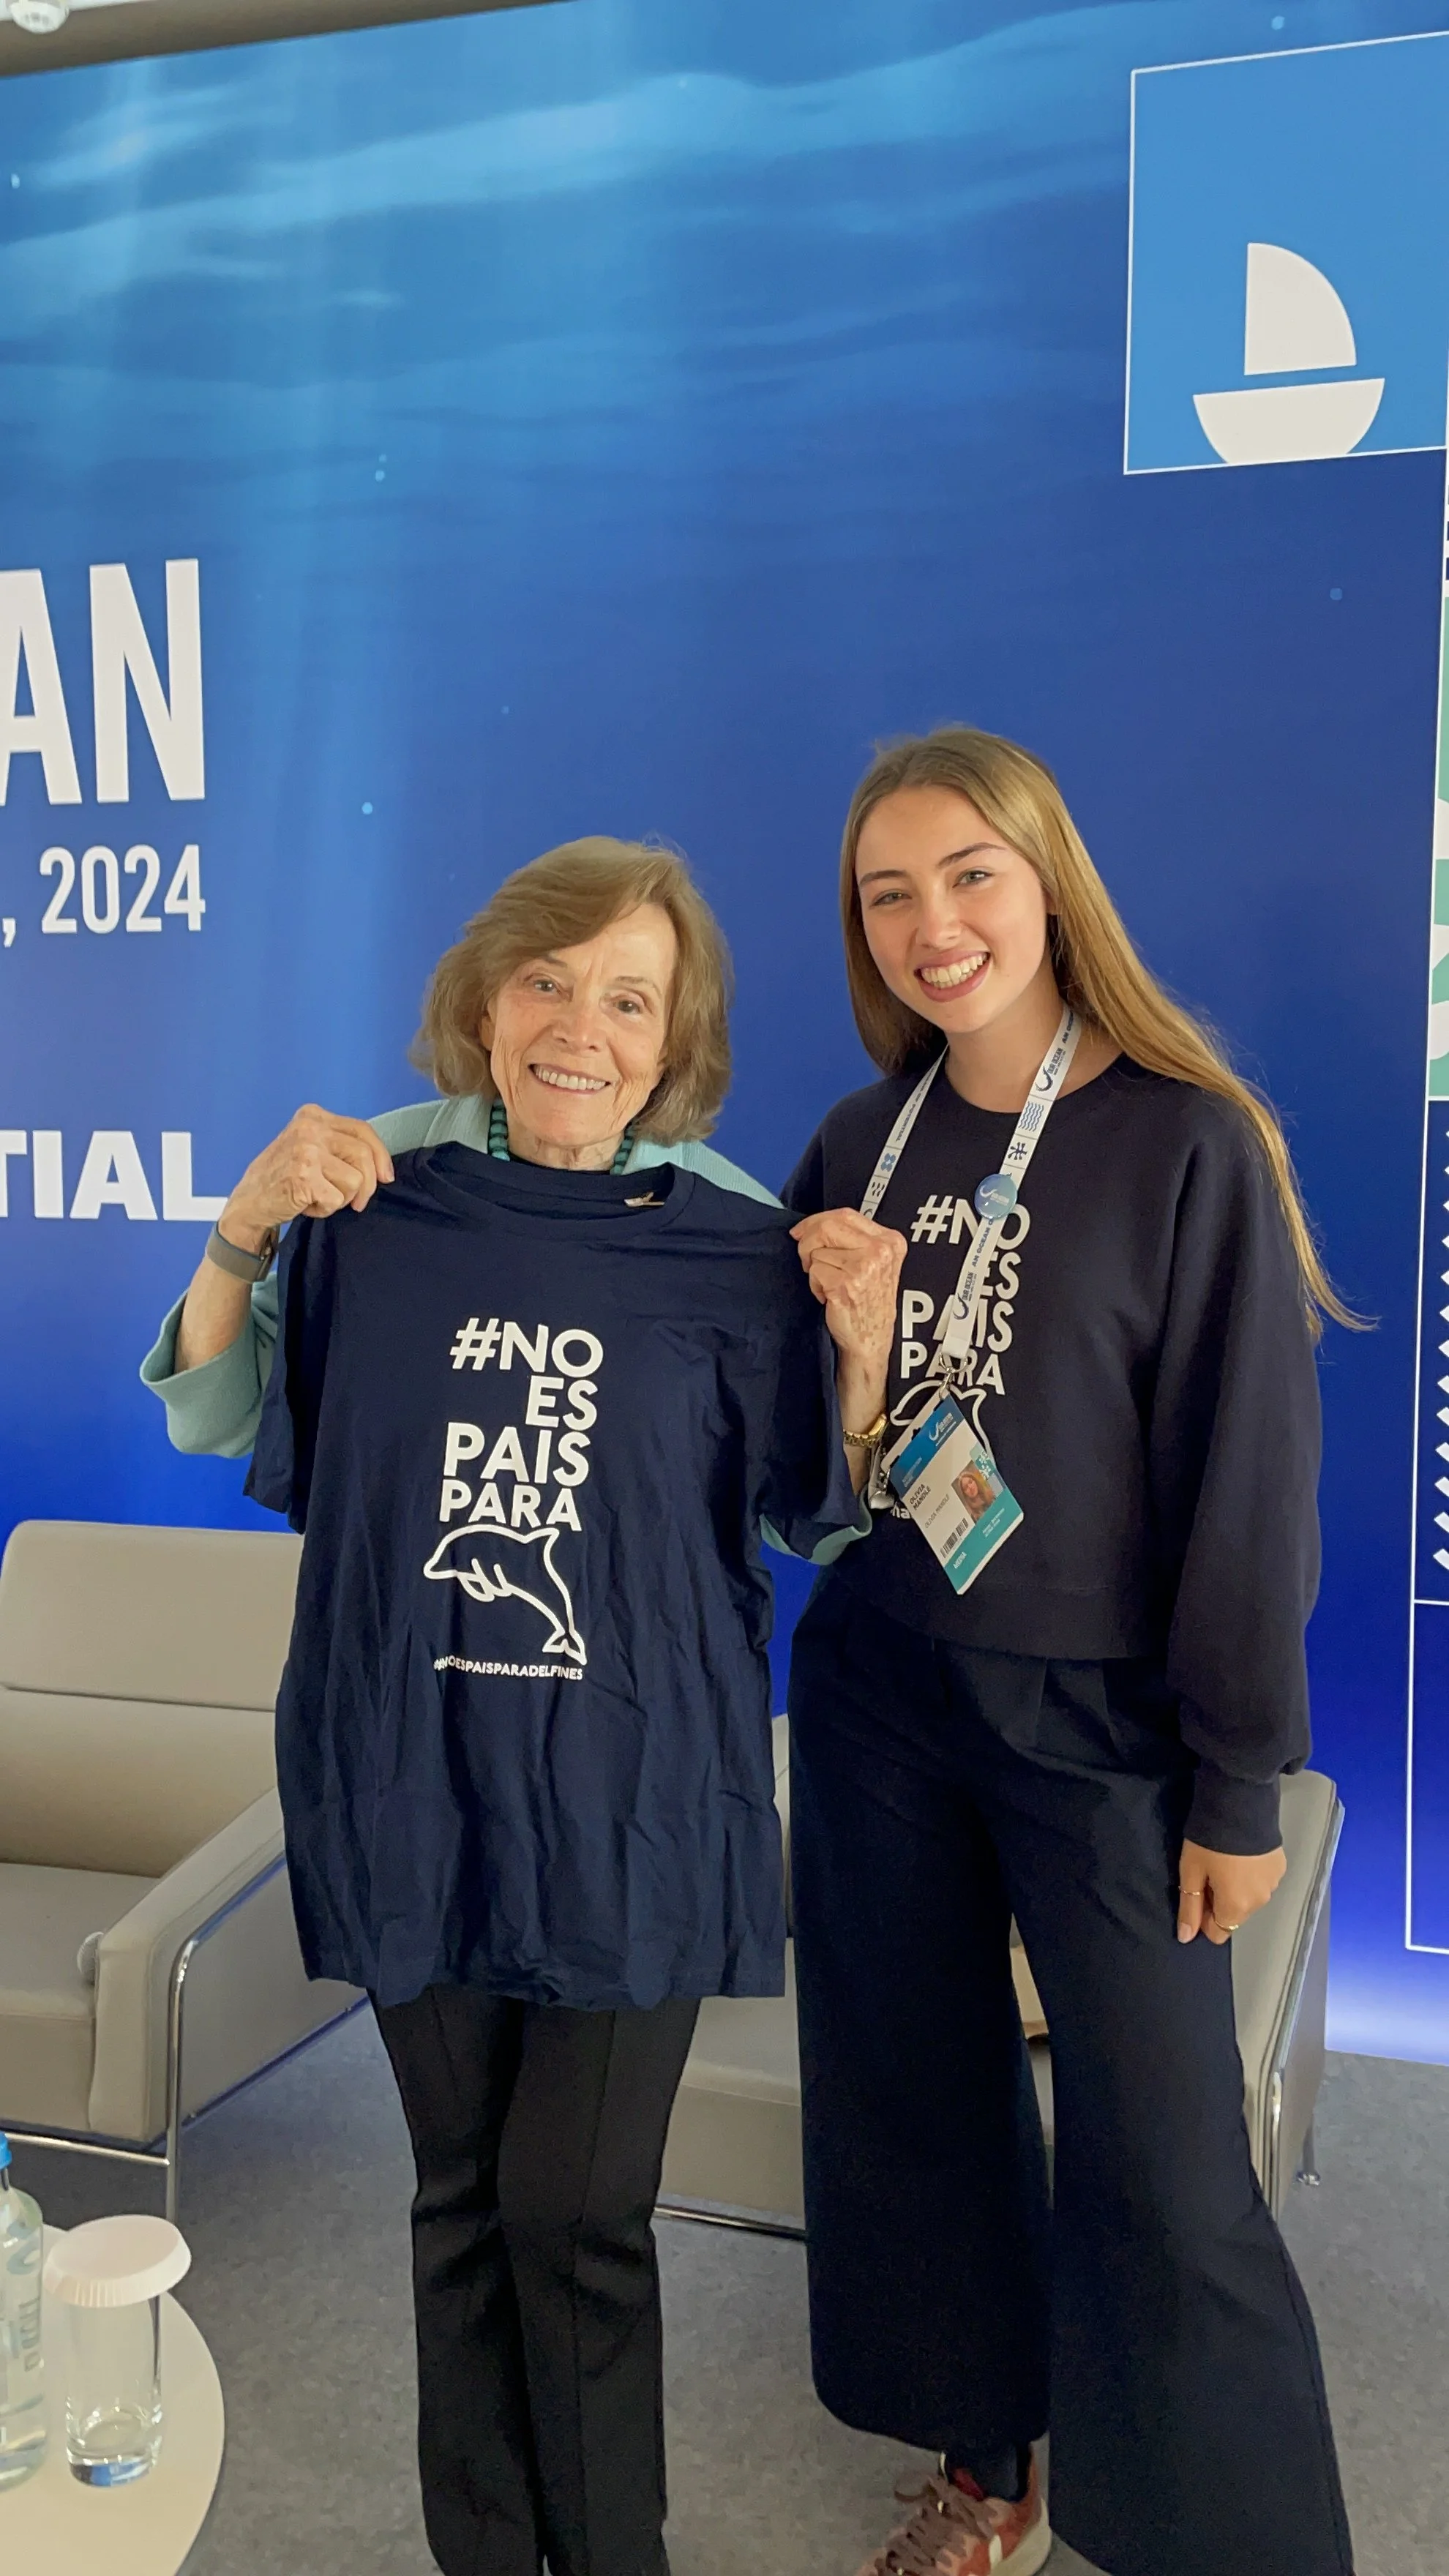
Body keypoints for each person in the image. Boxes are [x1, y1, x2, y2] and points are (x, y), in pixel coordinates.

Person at [141, 836, 858, 2576]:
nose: (580, 1028)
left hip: (638, 1795)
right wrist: (246, 1223)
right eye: (547, 981)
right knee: (459, 2197)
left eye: (629, 997)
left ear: (672, 1035)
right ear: (483, 999)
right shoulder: (369, 1202)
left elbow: (812, 1503)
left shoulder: (738, 1239)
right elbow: (224, 1418)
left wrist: (856, 1334)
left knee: (582, 2208)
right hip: (413, 1774)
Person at [782, 729, 1355, 2576]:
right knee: (917, 2106)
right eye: (890, 892)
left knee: (1170, 2168)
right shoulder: (859, 1139)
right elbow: (819, 1472)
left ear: (1049, 885)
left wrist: (1238, 1772)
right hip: (881, 1689)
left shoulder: (1186, 1137)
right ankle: (986, 2467)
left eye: (969, 875)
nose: (933, 924)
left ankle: (1237, 2537)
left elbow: (1246, 1476)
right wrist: (857, 1370)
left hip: (1100, 1717)